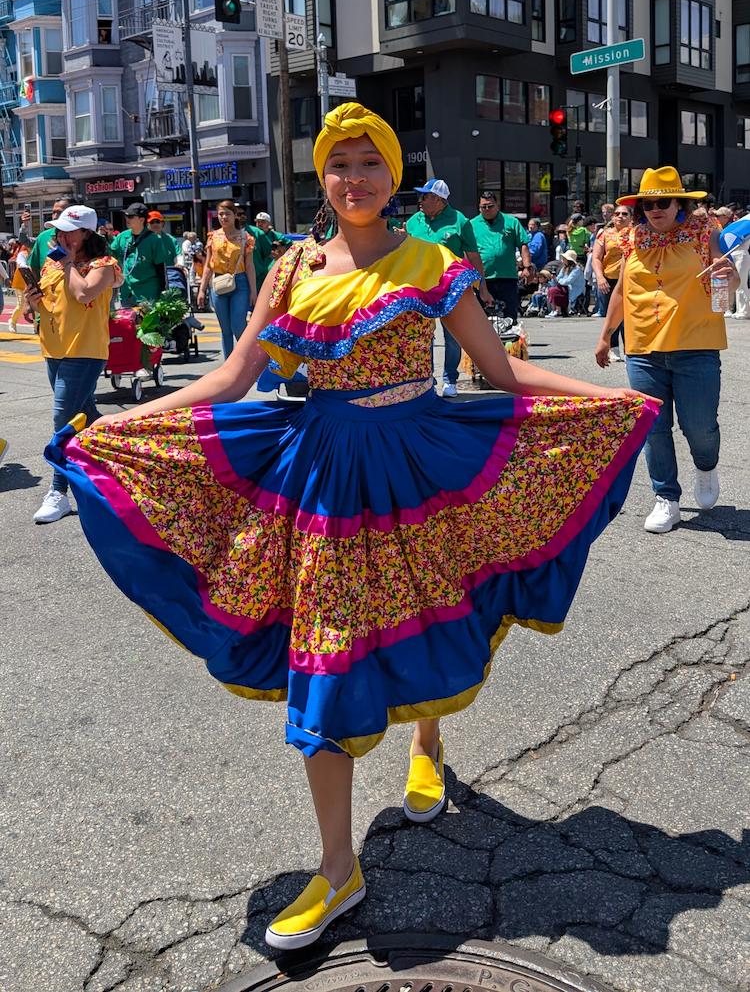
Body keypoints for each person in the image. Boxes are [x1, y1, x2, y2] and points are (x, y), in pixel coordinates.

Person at [46, 103, 657, 949]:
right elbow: (231, 376)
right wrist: (122, 423)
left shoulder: (430, 258)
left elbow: (499, 367)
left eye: (371, 162)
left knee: (435, 612)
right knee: (326, 654)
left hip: (419, 467)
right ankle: (339, 866)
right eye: (340, 163)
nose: (355, 178)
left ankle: (428, 742)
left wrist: (614, 399)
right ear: (322, 177)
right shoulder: (293, 266)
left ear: (394, 174)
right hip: (323, 474)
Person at [595, 166, 739, 534]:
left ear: (679, 205)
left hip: (696, 344)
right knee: (652, 428)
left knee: (700, 428)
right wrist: (606, 334)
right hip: (643, 348)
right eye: (648, 203)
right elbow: (622, 291)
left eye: (663, 201)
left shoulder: (705, 232)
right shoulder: (632, 238)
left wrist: (728, 273)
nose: (655, 208)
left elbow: (730, 278)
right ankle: (666, 498)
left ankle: (706, 468)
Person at [26, 205, 122, 523]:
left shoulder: (104, 264)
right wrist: (32, 301)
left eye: (69, 230)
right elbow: (50, 305)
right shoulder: (55, 262)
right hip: (53, 348)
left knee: (61, 420)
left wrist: (68, 264)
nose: (62, 235)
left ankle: (59, 492)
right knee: (87, 417)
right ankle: (120, 465)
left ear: (87, 233)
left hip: (85, 349)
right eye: (60, 230)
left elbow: (83, 295)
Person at [406, 179, 488, 397]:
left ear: (440, 200)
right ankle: (426, 380)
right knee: (422, 336)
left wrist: (483, 287)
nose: (420, 201)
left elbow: (473, 256)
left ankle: (449, 379)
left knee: (452, 336)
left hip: (450, 288)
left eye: (425, 196)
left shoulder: (460, 221)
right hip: (419, 288)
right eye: (421, 196)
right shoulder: (413, 221)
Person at [197, 200, 256, 358]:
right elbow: (208, 265)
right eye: (221, 214)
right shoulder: (213, 237)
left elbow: (249, 266)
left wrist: (253, 292)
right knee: (225, 329)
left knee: (238, 325)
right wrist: (202, 290)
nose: (223, 217)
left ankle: (245, 361)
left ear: (235, 216)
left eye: (227, 214)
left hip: (240, 282)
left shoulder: (245, 237)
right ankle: (228, 364)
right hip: (218, 283)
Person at [469, 191, 528, 323]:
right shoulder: (471, 225)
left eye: (490, 206)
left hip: (507, 277)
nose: (486, 209)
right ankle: (484, 343)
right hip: (482, 279)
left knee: (509, 315)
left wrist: (527, 267)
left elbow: (523, 244)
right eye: (483, 207)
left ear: (497, 206)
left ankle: (510, 342)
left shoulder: (511, 222)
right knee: (481, 318)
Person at [592, 205, 631, 359]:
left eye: (624, 213)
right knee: (612, 314)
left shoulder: (637, 233)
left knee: (629, 316)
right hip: (610, 279)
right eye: (617, 213)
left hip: (630, 280)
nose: (620, 216)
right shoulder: (605, 234)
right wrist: (600, 277)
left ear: (631, 217)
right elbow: (596, 258)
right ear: (612, 217)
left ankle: (630, 350)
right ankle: (613, 348)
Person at [110, 203, 167, 307]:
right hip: (127, 292)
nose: (127, 219)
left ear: (142, 219)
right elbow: (109, 254)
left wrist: (163, 292)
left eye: (131, 216)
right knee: (127, 323)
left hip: (147, 293)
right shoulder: (122, 236)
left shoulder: (154, 240)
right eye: (126, 216)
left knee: (148, 323)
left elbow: (160, 268)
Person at [251, 211, 292, 291]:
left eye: (263, 222)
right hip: (257, 271)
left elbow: (290, 244)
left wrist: (280, 247)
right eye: (258, 222)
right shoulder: (252, 235)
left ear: (268, 223)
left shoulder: (275, 235)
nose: (259, 224)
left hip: (271, 269)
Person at [547, 249, 584, 317]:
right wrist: (556, 279)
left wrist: (558, 280)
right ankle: (554, 309)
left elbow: (568, 281)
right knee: (551, 289)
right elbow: (559, 278)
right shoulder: (564, 268)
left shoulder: (577, 269)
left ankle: (557, 311)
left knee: (554, 291)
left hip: (573, 290)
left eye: (565, 258)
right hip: (565, 288)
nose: (563, 260)